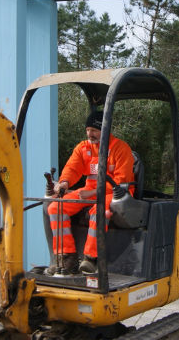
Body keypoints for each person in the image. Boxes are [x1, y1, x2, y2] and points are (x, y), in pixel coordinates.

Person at [46, 110, 134, 275]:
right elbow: (72, 168)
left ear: (105, 129)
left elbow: (121, 184)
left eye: (94, 130)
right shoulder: (83, 148)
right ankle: (66, 257)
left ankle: (91, 259)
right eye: (87, 130)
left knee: (98, 210)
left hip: (116, 194)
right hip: (90, 191)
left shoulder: (120, 149)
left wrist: (93, 193)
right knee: (55, 208)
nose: (89, 134)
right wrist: (63, 184)